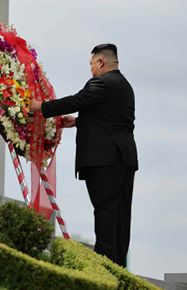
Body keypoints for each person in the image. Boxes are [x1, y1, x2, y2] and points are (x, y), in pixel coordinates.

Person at [29, 43, 138, 267]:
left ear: (101, 61)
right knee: (120, 216)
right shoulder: (124, 85)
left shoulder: (101, 82)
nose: (90, 69)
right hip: (124, 157)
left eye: (91, 64)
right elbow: (110, 118)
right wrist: (78, 122)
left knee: (105, 214)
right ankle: (118, 267)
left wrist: (41, 106)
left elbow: (77, 100)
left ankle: (104, 266)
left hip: (105, 158)